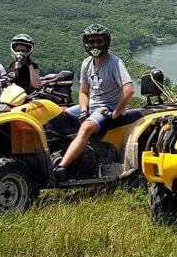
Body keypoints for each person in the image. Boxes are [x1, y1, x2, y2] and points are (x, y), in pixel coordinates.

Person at [53, 24, 134, 180]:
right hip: (92, 106)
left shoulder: (115, 63)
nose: (95, 45)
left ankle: (62, 167)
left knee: (86, 126)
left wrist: (116, 113)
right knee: (57, 113)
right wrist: (84, 110)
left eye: (99, 41)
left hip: (107, 108)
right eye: (91, 42)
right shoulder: (87, 63)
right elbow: (83, 92)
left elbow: (129, 90)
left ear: (106, 42)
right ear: (86, 43)